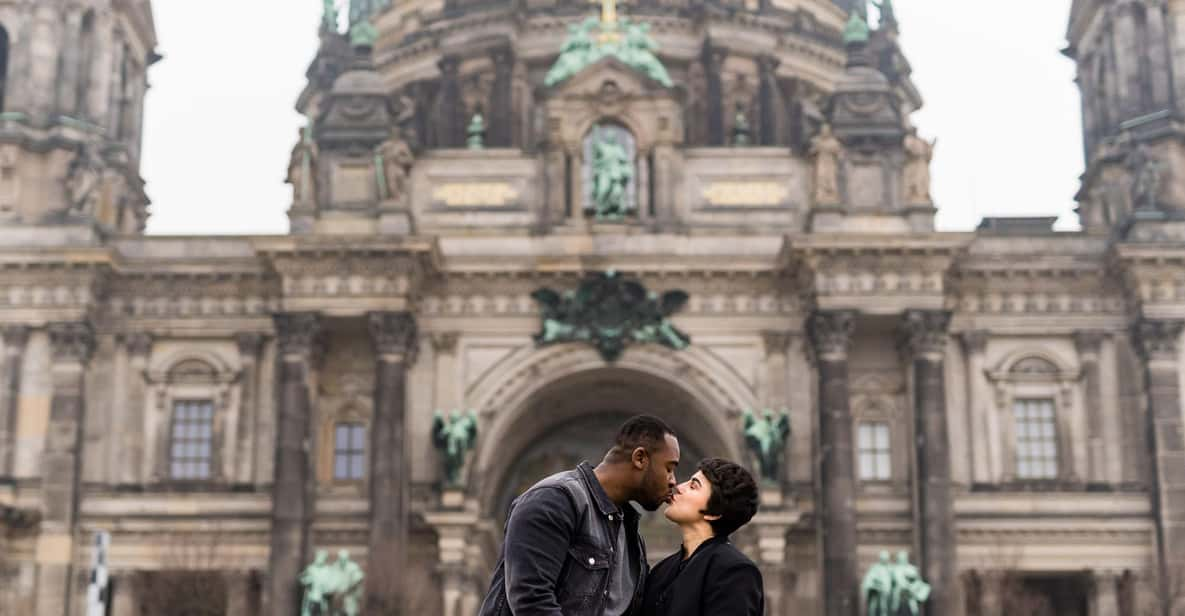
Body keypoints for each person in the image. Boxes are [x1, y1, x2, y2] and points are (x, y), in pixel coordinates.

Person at [477, 415, 681, 616]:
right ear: (640, 458)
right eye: (669, 468)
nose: (673, 481)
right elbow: (531, 601)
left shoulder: (631, 536)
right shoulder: (553, 500)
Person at [641, 458, 763, 616]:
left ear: (714, 513)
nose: (678, 487)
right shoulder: (661, 571)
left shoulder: (735, 571)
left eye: (693, 486)